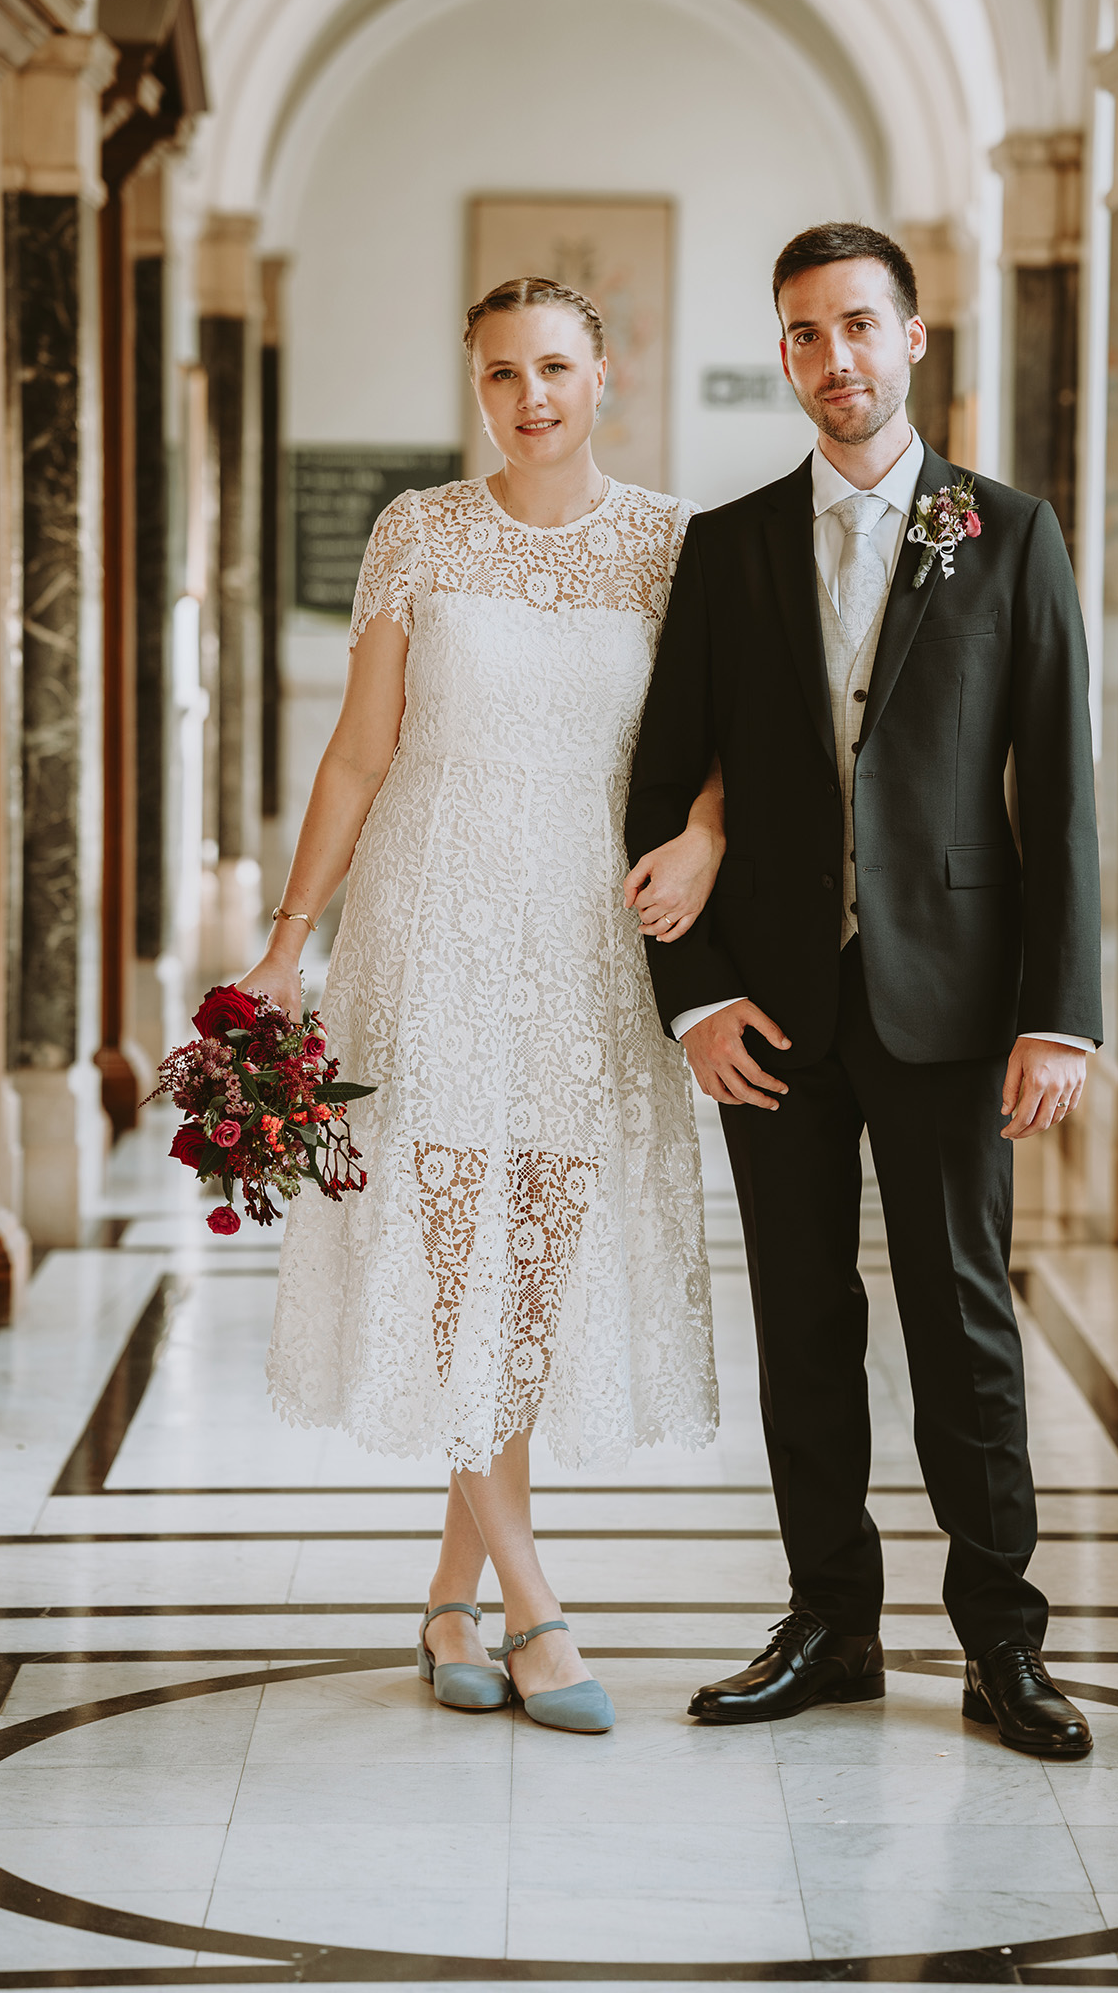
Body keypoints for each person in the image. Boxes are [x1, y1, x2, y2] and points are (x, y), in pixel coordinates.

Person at [626, 222, 1103, 1760]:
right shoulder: (730, 545)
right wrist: (694, 998)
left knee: (963, 1317)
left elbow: (1062, 789)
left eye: (860, 327)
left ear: (913, 340)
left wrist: (1061, 1010)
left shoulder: (1008, 533)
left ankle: (1004, 1642)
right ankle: (831, 1621)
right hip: (774, 1007)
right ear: (785, 355)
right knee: (802, 1316)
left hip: (954, 1004)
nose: (836, 359)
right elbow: (663, 784)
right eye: (806, 334)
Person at [254, 276, 722, 1736]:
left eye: (558, 369)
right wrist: (287, 946)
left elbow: (720, 748)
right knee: (460, 1263)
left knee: (536, 1268)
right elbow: (354, 758)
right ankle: (534, 1608)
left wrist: (704, 836)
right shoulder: (419, 534)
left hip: (586, 940)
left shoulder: (666, 545)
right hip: (433, 924)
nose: (532, 398)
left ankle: (449, 1596)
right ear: (478, 388)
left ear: (606, 376)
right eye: (504, 374)